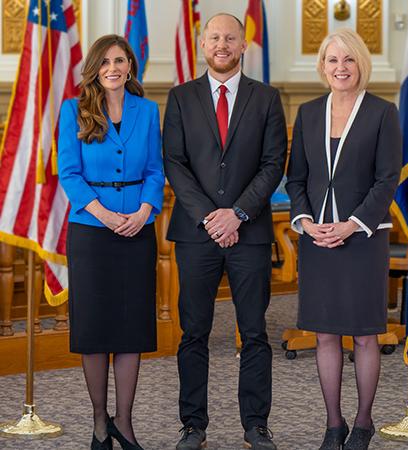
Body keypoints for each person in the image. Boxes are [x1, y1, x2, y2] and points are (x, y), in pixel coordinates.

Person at [163, 13, 287, 450]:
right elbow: (174, 163)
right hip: (196, 234)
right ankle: (192, 425)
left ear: (242, 44)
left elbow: (274, 164)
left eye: (230, 38)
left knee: (254, 332)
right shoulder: (180, 97)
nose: (222, 44)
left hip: (249, 233)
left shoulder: (267, 97)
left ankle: (256, 424)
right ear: (202, 44)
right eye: (214, 37)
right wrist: (212, 217)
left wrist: (237, 214)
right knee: (193, 332)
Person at [286, 28, 402, 450]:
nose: (341, 68)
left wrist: (352, 224)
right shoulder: (309, 113)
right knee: (325, 334)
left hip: (362, 239)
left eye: (348, 60)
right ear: (323, 66)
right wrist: (304, 221)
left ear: (360, 65)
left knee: (366, 334)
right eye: (333, 61)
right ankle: (333, 425)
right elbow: (296, 176)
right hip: (317, 240)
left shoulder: (382, 113)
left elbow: (387, 179)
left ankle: (364, 422)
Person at [58, 34, 165, 450]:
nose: (113, 68)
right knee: (95, 328)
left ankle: (125, 422)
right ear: (94, 69)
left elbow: (155, 171)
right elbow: (69, 173)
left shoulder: (148, 110)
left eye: (120, 60)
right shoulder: (74, 110)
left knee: (131, 328)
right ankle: (100, 422)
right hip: (90, 232)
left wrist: (142, 212)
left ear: (130, 66)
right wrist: (103, 213)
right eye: (105, 62)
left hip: (137, 230)